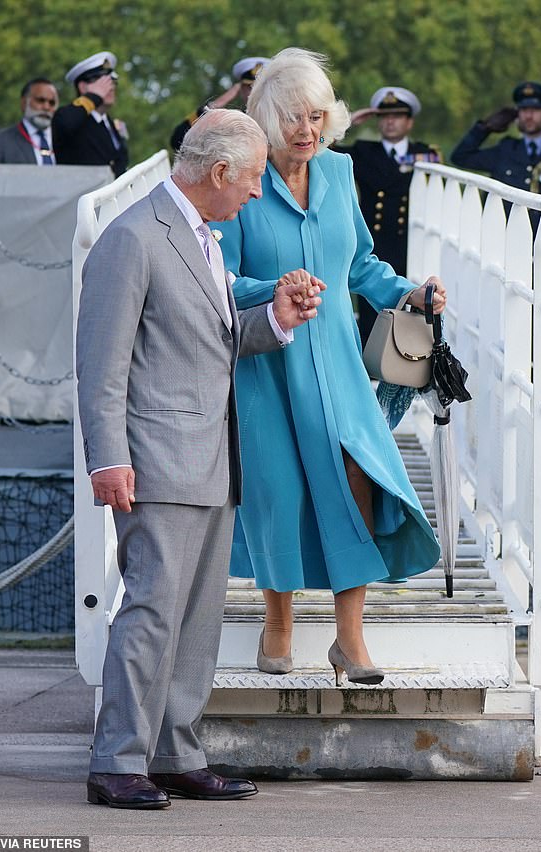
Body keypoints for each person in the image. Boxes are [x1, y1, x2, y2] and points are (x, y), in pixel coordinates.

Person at [76, 108, 324, 809]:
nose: (255, 193)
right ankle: (116, 760)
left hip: (213, 458)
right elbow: (102, 363)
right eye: (250, 180)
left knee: (197, 619)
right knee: (152, 611)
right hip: (154, 461)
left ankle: (174, 752)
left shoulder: (204, 236)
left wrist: (276, 320)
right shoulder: (132, 239)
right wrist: (108, 458)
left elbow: (209, 341)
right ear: (218, 173)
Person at [215, 48, 444, 686]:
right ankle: (279, 621)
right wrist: (273, 290)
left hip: (340, 360)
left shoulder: (340, 173)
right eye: (293, 117)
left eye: (316, 116)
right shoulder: (245, 179)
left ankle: (350, 639)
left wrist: (410, 293)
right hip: (272, 362)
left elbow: (361, 266)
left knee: (358, 477)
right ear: (266, 117)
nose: (307, 131)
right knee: (278, 488)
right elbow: (223, 279)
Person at [334, 86, 441, 345]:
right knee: (372, 306)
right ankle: (372, 363)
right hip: (373, 240)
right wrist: (346, 124)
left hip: (410, 240)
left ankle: (408, 361)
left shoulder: (425, 152)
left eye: (397, 116)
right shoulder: (363, 151)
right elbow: (323, 149)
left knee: (411, 302)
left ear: (409, 121)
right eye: (384, 116)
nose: (390, 121)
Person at [451, 81, 541, 192]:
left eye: (535, 109)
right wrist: (485, 128)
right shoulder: (506, 150)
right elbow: (461, 157)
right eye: (523, 109)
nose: (529, 116)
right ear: (517, 113)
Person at [170, 56, 269, 152]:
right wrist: (217, 104)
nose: (253, 92)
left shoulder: (278, 118)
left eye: (258, 87)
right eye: (249, 87)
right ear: (241, 89)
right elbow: (178, 141)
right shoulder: (234, 120)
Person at [53, 51, 128, 176]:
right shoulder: (72, 120)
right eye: (103, 83)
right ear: (83, 87)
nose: (111, 87)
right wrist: (93, 97)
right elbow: (64, 123)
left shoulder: (109, 123)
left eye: (112, 81)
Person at [0, 78, 58, 165]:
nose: (46, 107)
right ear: (24, 103)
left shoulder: (66, 140)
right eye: (40, 100)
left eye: (52, 103)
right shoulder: (0, 142)